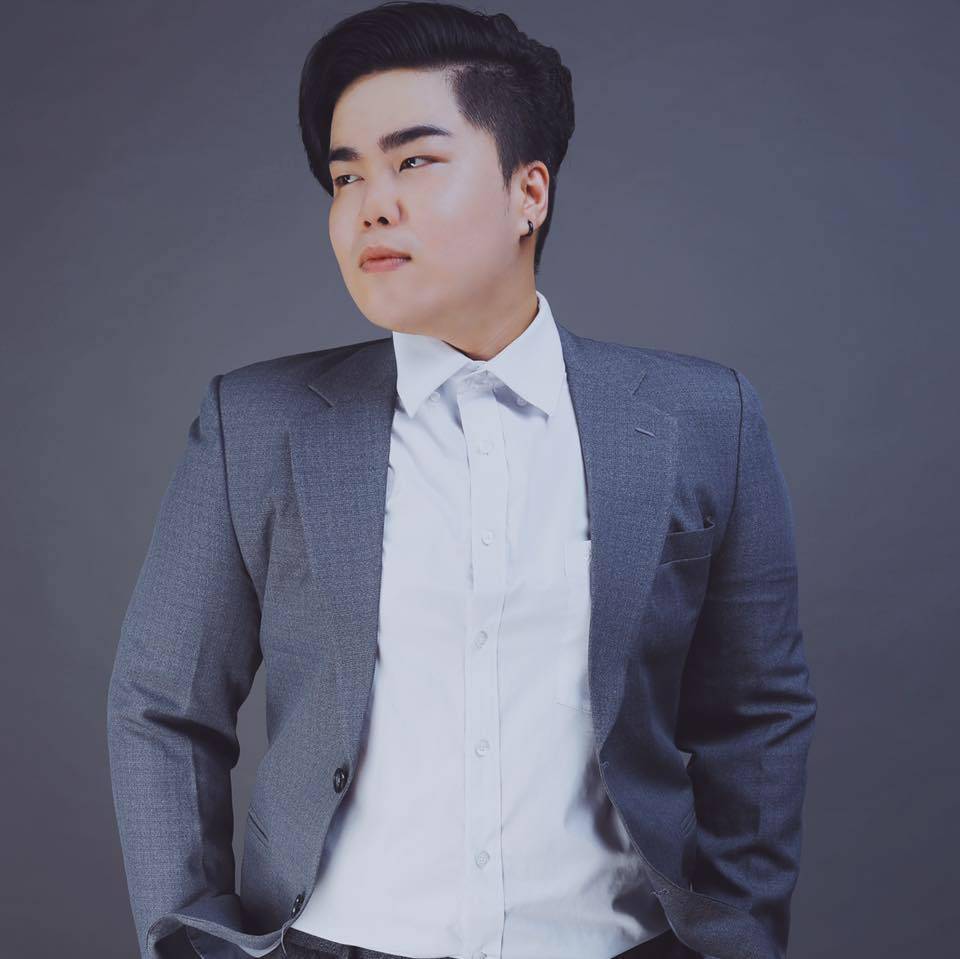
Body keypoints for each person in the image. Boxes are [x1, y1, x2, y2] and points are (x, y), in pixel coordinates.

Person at [107, 4, 817, 959]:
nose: (370, 204)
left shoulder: (703, 418)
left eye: (414, 161)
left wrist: (741, 936)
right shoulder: (257, 423)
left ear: (530, 192)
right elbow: (162, 704)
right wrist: (189, 937)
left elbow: (756, 714)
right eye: (346, 175)